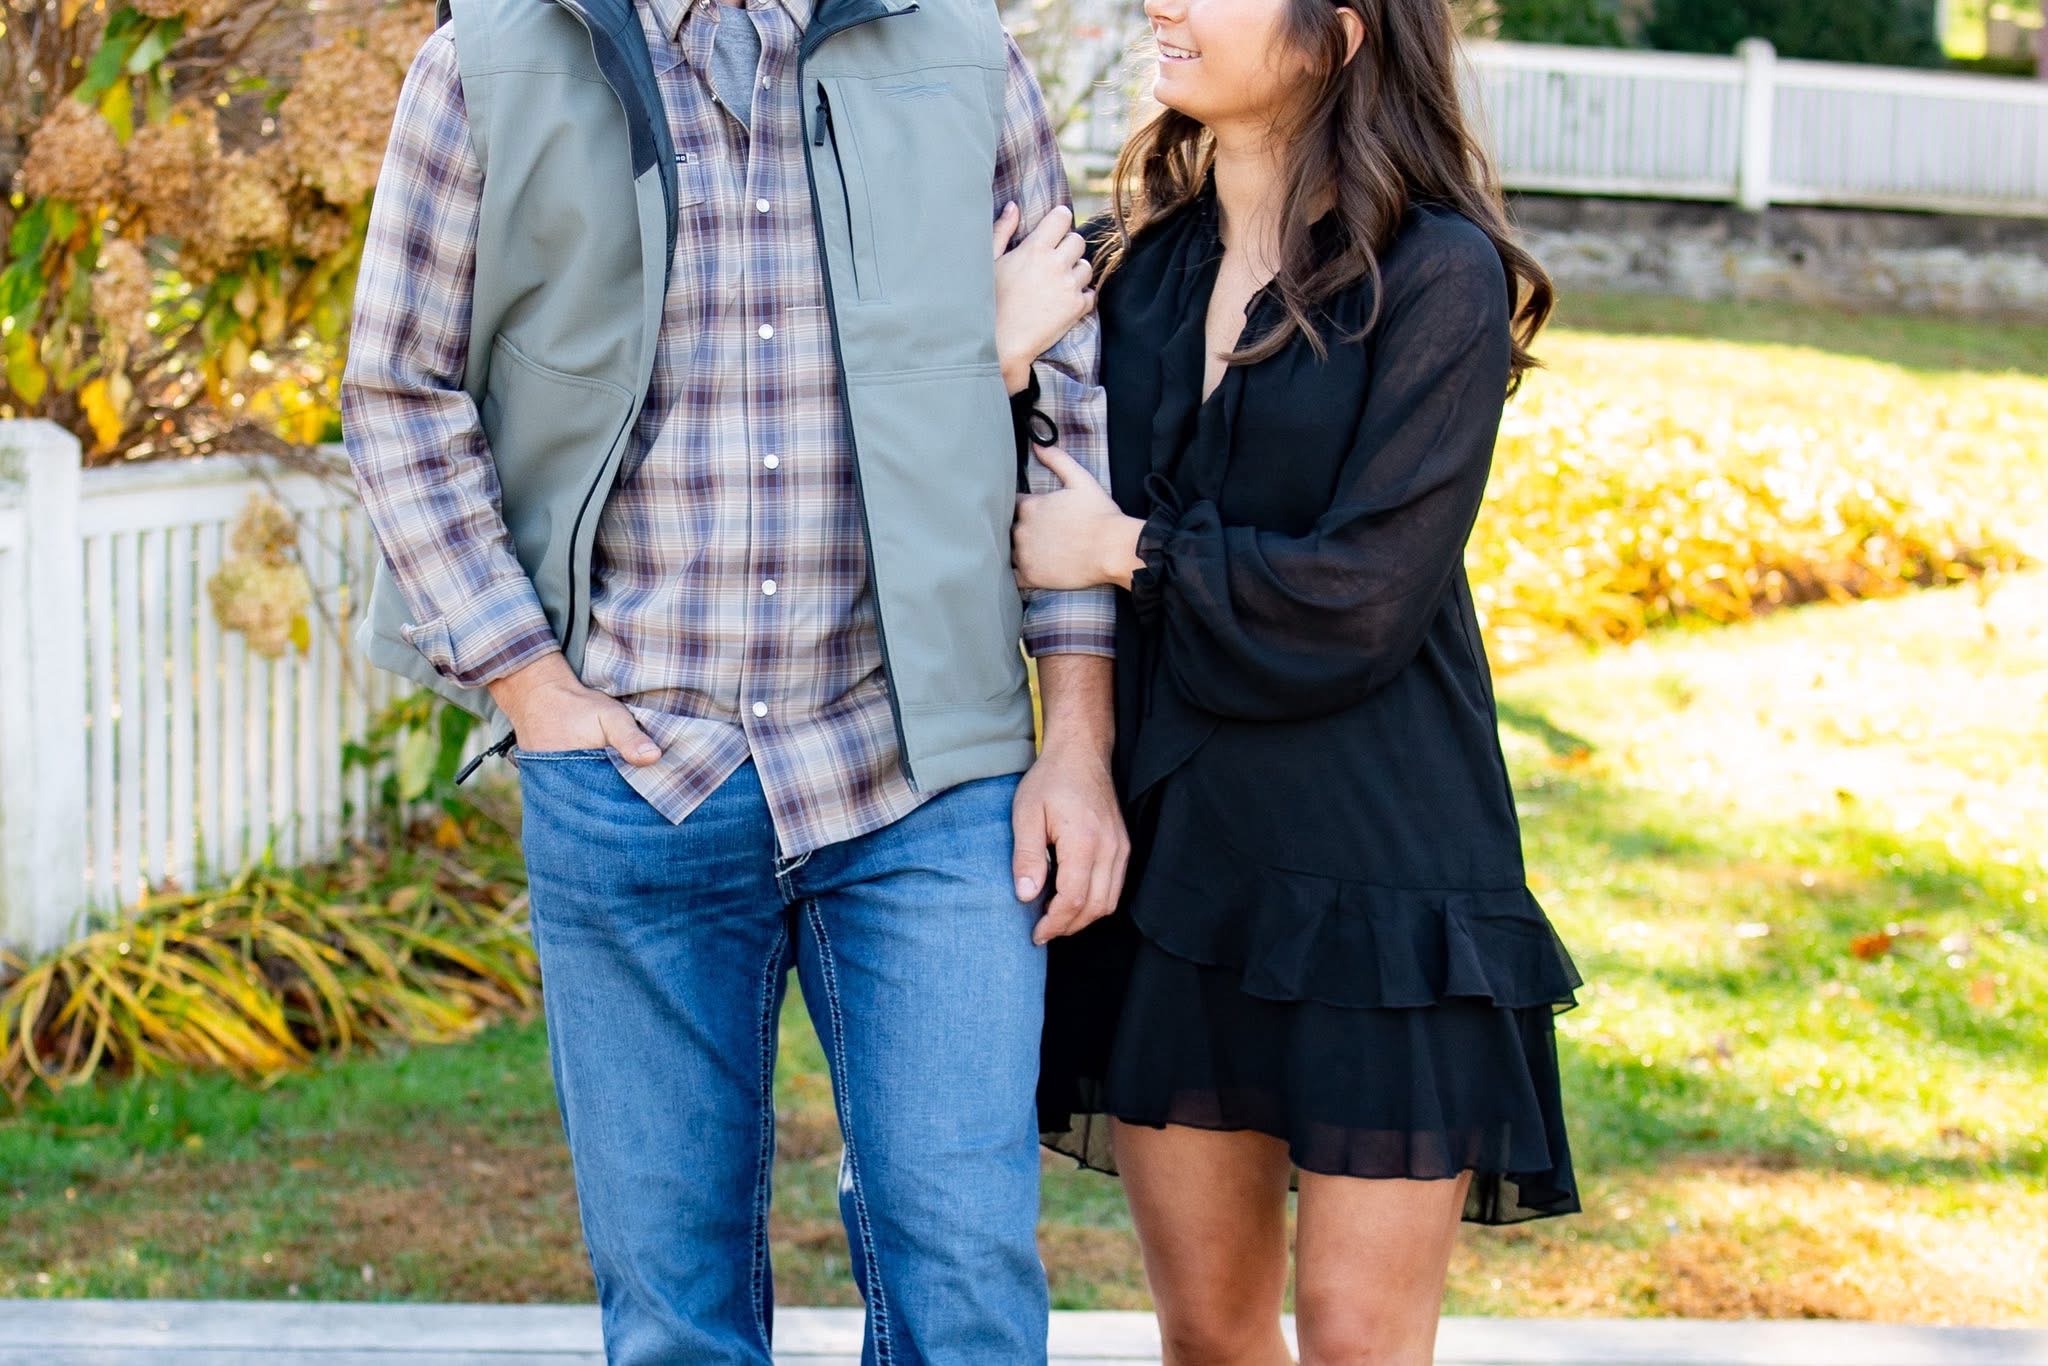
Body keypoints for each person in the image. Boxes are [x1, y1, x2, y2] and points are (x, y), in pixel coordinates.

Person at [340, 0, 1128, 1358]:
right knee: (674, 1318)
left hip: (924, 772)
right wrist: (529, 683)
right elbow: (401, 391)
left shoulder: (964, 50)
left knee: (966, 1289)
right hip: (638, 777)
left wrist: (1076, 741)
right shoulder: (485, 64)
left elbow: (1067, 406)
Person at [1001, 0, 1584, 1359]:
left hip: (1383, 878)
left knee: (1356, 1337)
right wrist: (1002, 357)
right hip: (1181, 874)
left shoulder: (1437, 276)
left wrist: (1129, 551)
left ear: (1340, 33)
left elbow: (1364, 598)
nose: (1166, 3)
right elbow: (1012, 509)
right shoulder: (1133, 271)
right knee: (1209, 1334)